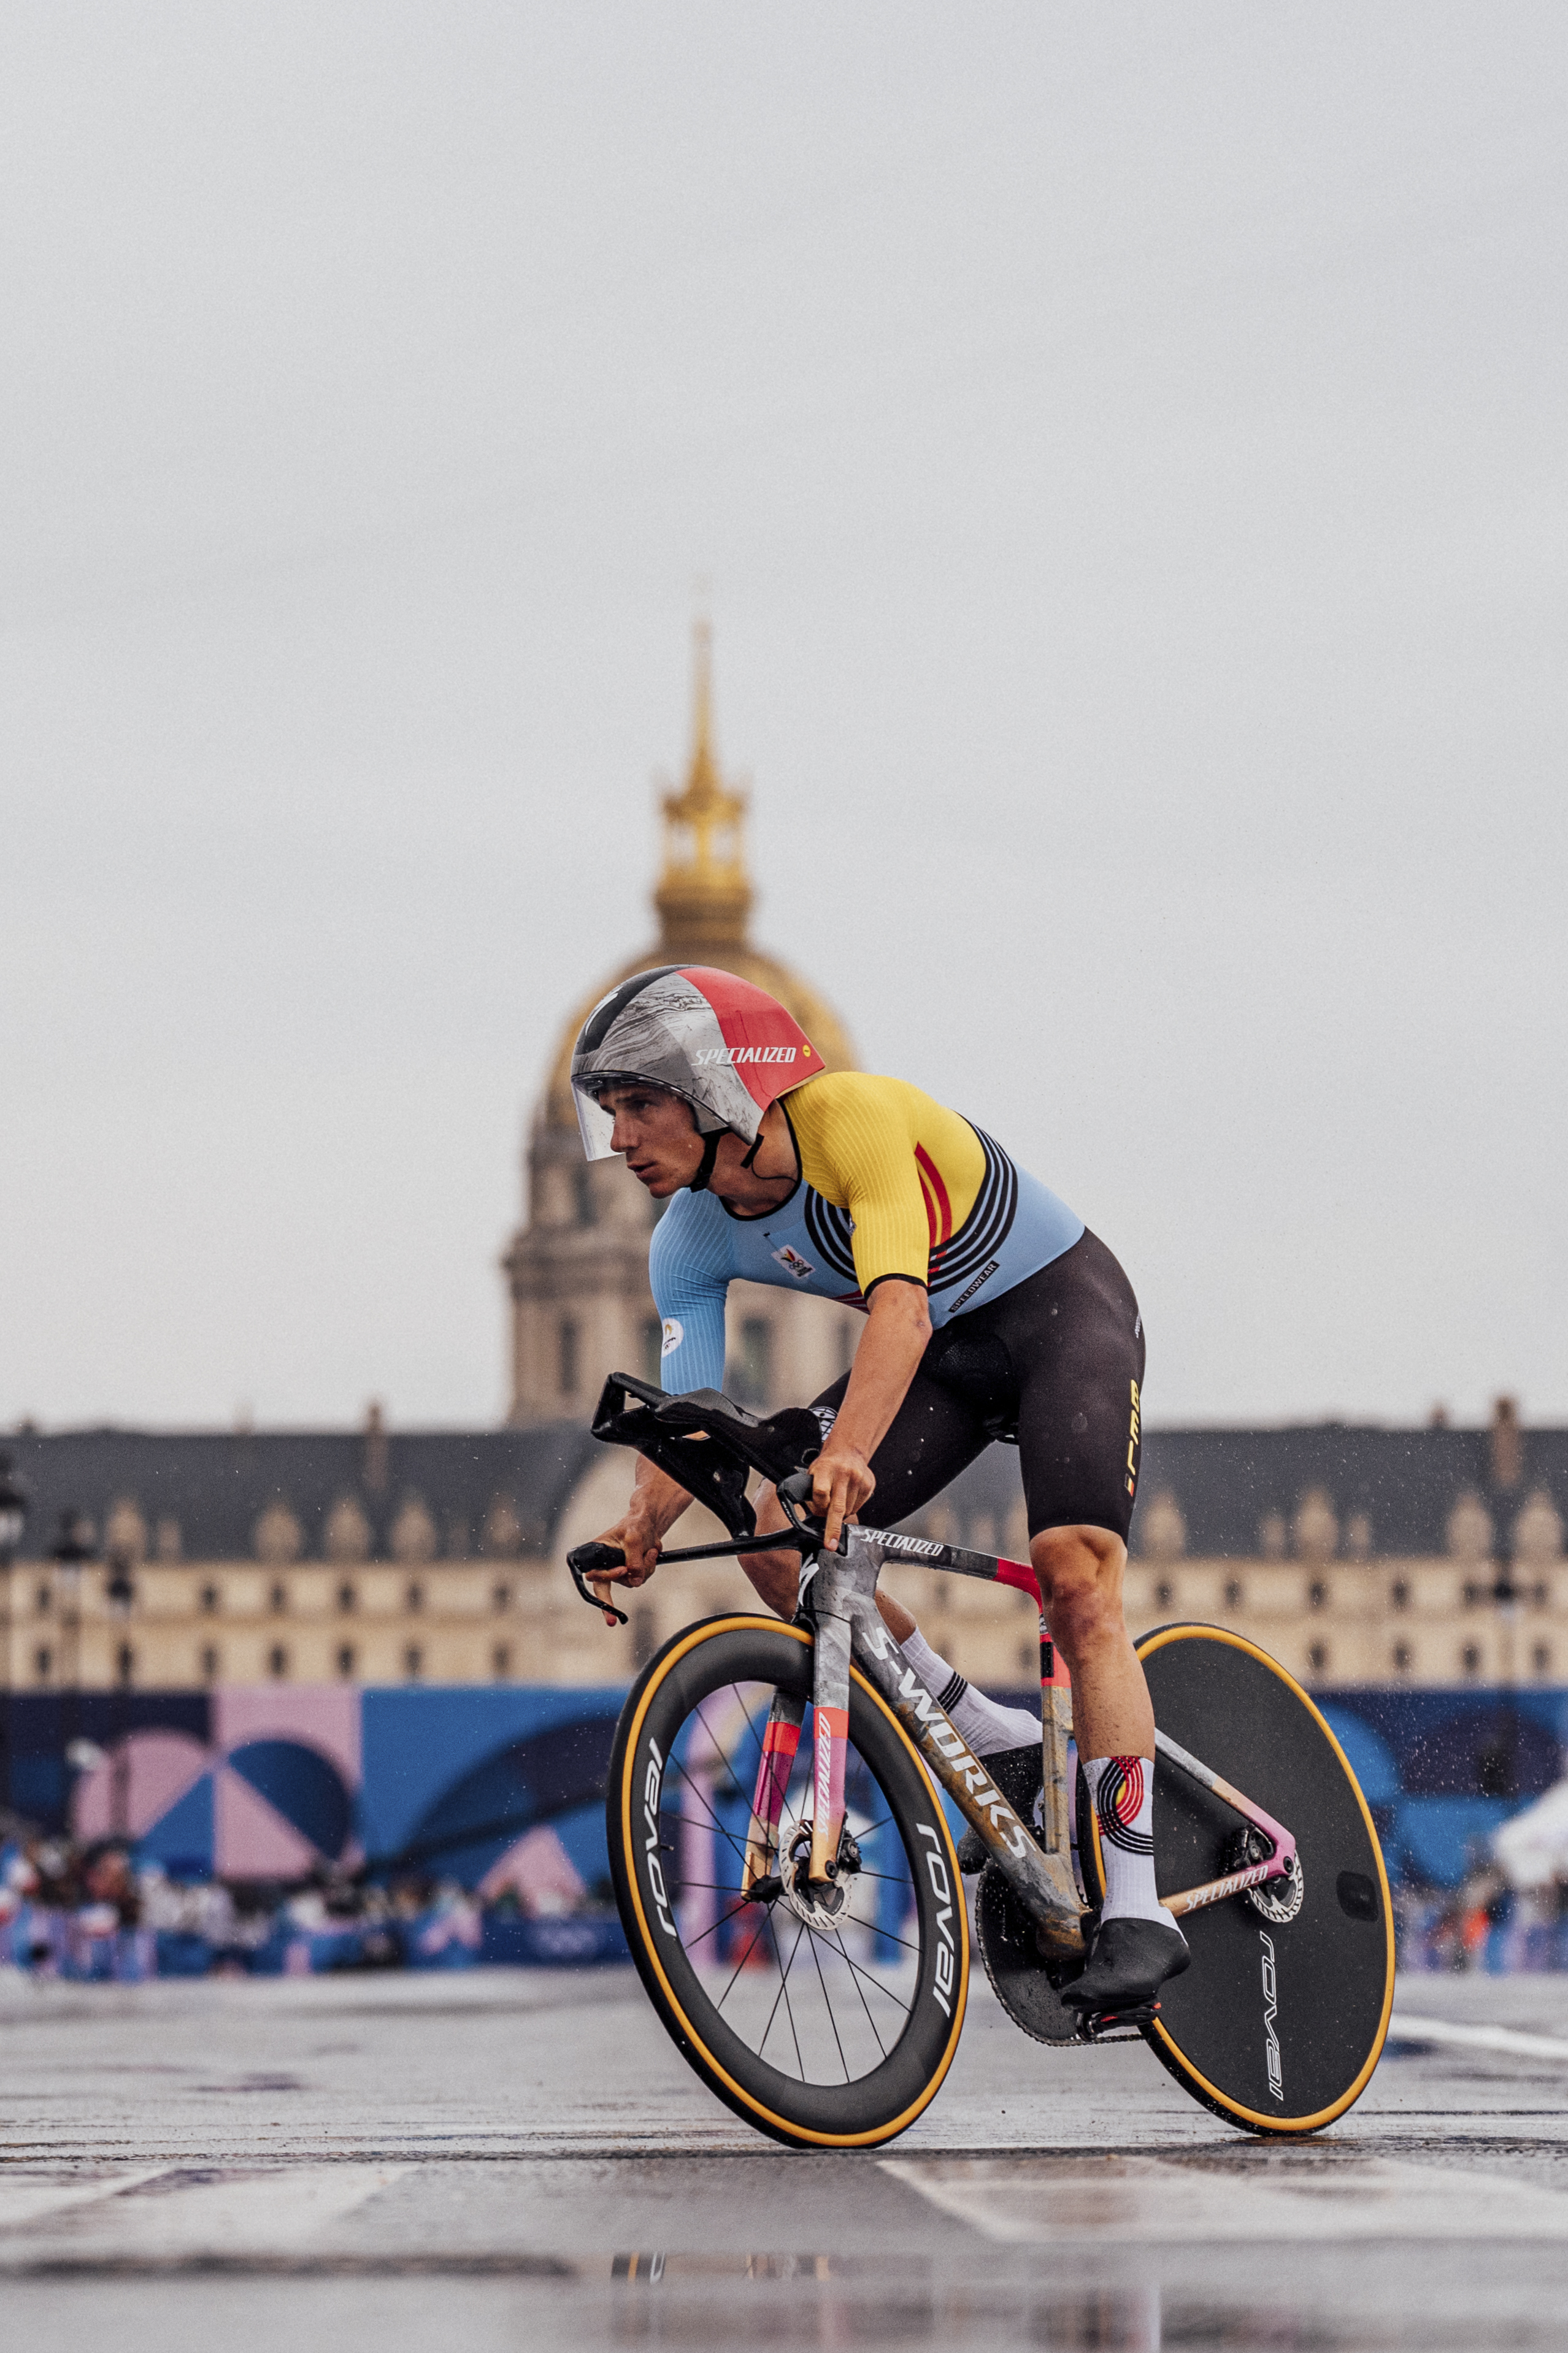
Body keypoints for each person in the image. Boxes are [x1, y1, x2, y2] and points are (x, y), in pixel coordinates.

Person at [576, 962, 1185, 2018]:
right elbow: (688, 1419)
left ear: (716, 1089)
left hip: (1056, 1322)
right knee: (768, 1528)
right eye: (609, 1114)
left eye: (640, 1104)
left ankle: (1139, 1907)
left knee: (1073, 1580)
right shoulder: (684, 1239)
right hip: (947, 1358)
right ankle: (984, 1732)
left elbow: (899, 1311)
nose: (621, 1138)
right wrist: (637, 1524)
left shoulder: (850, 1118)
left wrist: (849, 1452)